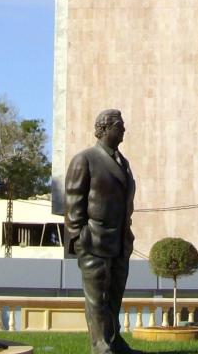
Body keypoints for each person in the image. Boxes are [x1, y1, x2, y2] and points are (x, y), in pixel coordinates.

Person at [64, 109, 136, 354]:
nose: (124, 129)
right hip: (93, 241)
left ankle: (115, 341)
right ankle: (101, 346)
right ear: (104, 128)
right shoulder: (85, 159)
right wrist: (80, 237)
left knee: (113, 299)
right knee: (96, 300)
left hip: (119, 242)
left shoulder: (123, 163)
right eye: (119, 125)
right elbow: (73, 204)